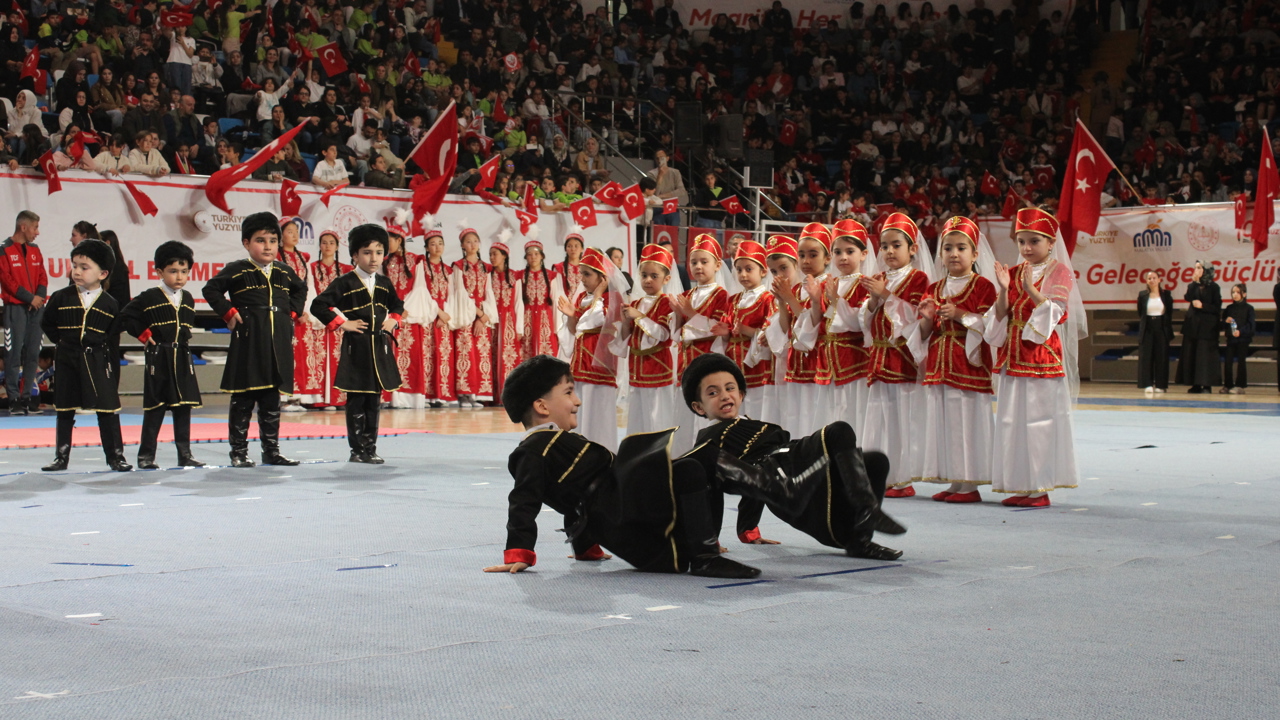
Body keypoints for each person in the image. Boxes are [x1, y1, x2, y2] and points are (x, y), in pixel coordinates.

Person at [483, 354, 769, 579]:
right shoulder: (533, 450)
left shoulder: (554, 443)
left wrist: (585, 549)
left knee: (699, 460)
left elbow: (574, 500)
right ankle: (707, 557)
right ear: (542, 407)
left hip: (630, 513)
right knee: (692, 468)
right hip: (632, 529)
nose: (578, 400)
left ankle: (710, 545)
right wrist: (518, 552)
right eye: (569, 392)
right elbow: (525, 501)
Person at [680, 352, 906, 561]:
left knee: (875, 461)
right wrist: (715, 538)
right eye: (712, 393)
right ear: (699, 407)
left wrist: (748, 531)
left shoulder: (764, 427)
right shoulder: (708, 439)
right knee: (839, 430)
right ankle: (867, 513)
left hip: (798, 463)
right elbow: (719, 486)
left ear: (741, 394)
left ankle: (862, 536)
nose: (724, 396)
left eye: (730, 388)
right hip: (781, 485)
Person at [984, 207, 1080, 507]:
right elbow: (998, 316)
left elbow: (1057, 313)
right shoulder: (1011, 273)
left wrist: (1029, 289)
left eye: (1034, 241)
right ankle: (1021, 484)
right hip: (1012, 357)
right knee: (1012, 421)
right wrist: (1003, 290)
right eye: (1021, 241)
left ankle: (1039, 488)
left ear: (1051, 242)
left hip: (1041, 359)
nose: (1026, 248)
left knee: (1039, 422)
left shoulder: (1060, 272)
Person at [201, 212, 308, 468]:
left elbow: (300, 288)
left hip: (277, 343)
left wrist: (291, 313)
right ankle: (238, 451)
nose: (268, 245)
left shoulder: (284, 271)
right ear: (246, 243)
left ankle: (271, 450)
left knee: (272, 399)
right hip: (249, 342)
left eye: (273, 240)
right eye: (261, 240)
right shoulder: (237, 270)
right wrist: (229, 312)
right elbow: (211, 289)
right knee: (243, 399)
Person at [912, 217, 996, 503]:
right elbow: (924, 333)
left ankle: (969, 483)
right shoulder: (934, 289)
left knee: (966, 424)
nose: (954, 254)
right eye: (948, 248)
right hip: (939, 365)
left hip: (967, 365)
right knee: (944, 422)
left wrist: (959, 314)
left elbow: (989, 326)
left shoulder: (983, 286)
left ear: (975, 253)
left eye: (962, 248)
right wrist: (925, 318)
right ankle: (953, 478)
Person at [311, 225, 405, 463]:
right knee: (356, 400)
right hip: (357, 348)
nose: (373, 258)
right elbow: (318, 305)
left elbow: (397, 305)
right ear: (354, 255)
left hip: (379, 348)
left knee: (374, 399)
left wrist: (393, 320)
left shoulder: (384, 282)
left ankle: (370, 448)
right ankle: (357, 450)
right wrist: (344, 323)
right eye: (367, 252)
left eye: (378, 252)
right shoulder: (345, 282)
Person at [39, 240, 131, 472]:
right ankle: (61, 457)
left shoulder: (110, 304)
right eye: (75, 265)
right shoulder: (61, 297)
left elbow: (112, 333)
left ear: (103, 273)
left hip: (98, 361)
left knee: (107, 409)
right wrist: (62, 342)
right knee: (65, 408)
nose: (77, 271)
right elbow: (47, 323)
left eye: (84, 267)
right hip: (68, 359)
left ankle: (116, 457)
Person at [859, 213, 930, 497]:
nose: (889, 251)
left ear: (912, 249)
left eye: (896, 245)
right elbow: (865, 321)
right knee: (879, 419)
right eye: (884, 246)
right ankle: (879, 477)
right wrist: (874, 302)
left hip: (903, 360)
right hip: (879, 359)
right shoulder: (878, 278)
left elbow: (916, 318)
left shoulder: (919, 278)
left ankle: (902, 478)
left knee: (902, 420)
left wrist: (886, 295)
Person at [119, 241, 204, 469]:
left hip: (182, 358)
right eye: (173, 271)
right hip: (159, 357)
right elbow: (125, 317)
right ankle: (146, 456)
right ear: (159, 272)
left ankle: (185, 454)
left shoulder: (188, 298)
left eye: (184, 271)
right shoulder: (149, 297)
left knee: (183, 407)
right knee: (155, 408)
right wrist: (144, 334)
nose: (179, 277)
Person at [556, 247, 622, 451]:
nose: (582, 279)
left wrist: (599, 294)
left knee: (598, 414)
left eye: (587, 274)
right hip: (581, 365)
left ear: (602, 277)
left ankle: (603, 452)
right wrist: (570, 316)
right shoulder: (583, 298)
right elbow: (576, 329)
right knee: (580, 412)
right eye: (581, 273)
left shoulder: (613, 298)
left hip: (600, 366)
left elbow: (596, 320)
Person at [672, 234, 732, 453]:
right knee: (683, 417)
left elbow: (715, 327)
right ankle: (681, 458)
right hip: (684, 364)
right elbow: (676, 335)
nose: (698, 266)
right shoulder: (687, 294)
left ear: (717, 265)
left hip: (705, 363)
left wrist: (688, 313)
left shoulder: (721, 295)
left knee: (704, 415)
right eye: (693, 262)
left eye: (704, 262)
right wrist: (678, 316)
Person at [773, 222, 833, 437]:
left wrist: (789, 298)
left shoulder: (829, 286)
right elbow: (785, 328)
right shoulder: (797, 288)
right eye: (801, 255)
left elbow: (813, 325)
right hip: (795, 362)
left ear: (827, 258)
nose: (806, 261)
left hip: (818, 360)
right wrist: (782, 301)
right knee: (796, 417)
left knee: (815, 417)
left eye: (813, 254)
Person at [613, 242, 678, 435]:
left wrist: (639, 317)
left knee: (658, 418)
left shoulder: (667, 303)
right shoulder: (636, 302)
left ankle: (660, 455)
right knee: (637, 418)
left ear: (666, 278)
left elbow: (664, 334)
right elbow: (626, 338)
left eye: (654, 276)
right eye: (644, 275)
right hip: (636, 368)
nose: (648, 280)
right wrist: (625, 322)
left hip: (658, 367)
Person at [823, 219, 874, 439]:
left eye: (850, 251)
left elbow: (859, 324)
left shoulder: (865, 283)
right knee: (834, 412)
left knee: (856, 411)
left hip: (856, 359)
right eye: (837, 251)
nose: (843, 257)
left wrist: (835, 300)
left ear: (863, 254)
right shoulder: (831, 282)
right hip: (831, 360)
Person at [723, 240, 776, 422]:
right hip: (733, 363)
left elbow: (772, 334)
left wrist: (749, 331)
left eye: (748, 269)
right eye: (739, 270)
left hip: (756, 366)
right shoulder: (733, 300)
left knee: (755, 408)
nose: (743, 274)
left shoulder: (768, 299)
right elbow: (727, 327)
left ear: (763, 271)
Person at [0, 211, 47, 416]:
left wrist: (39, 298)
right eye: (35, 228)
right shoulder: (4, 250)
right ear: (23, 227)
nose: (37, 232)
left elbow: (43, 277)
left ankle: (28, 397)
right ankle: (13, 399)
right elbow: (6, 280)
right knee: (13, 354)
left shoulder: (35, 250)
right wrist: (30, 298)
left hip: (36, 309)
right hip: (16, 309)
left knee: (33, 354)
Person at [307, 230, 353, 409]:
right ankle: (317, 398)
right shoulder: (311, 267)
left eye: (331, 243)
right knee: (318, 357)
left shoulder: (346, 270)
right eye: (324, 242)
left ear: (336, 246)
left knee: (337, 357)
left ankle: (337, 398)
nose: (327, 246)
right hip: (318, 317)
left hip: (339, 317)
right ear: (319, 245)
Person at [452, 225, 496, 408]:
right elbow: (459, 293)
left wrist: (485, 317)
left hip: (481, 315)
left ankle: (478, 394)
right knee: (465, 353)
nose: (472, 245)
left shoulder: (486, 267)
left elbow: (489, 291)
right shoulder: (458, 266)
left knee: (480, 354)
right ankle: (465, 394)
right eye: (468, 242)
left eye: (475, 241)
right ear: (462, 245)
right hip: (465, 314)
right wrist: (479, 314)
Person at [277, 218, 313, 412]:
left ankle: (296, 396)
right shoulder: (276, 256)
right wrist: (292, 310)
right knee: (284, 354)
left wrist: (302, 309)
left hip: (298, 313)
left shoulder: (301, 257)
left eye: (296, 231)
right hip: (284, 311)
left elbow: (304, 287)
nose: (295, 235)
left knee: (299, 355)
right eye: (290, 231)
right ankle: (282, 396)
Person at [1175, 260, 1222, 393]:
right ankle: (1195, 384)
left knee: (1205, 356)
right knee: (1192, 354)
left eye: (1199, 268)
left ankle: (1207, 384)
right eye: (1195, 267)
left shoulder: (1214, 287)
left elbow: (1217, 307)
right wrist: (1194, 282)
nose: (1196, 270)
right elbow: (1188, 297)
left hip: (1207, 327)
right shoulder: (1193, 285)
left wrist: (1203, 306)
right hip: (1193, 325)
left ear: (1206, 270)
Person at [489, 235, 524, 402]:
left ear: (504, 256)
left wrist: (519, 328)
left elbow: (518, 302)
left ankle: (508, 397)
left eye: (496, 254)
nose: (492, 257)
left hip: (509, 320)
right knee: (491, 358)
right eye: (490, 254)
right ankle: (492, 396)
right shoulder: (487, 275)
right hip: (492, 321)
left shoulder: (514, 276)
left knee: (509, 359)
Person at [520, 237, 564, 360]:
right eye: (529, 254)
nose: (533, 257)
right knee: (527, 352)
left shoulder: (552, 276)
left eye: (536, 254)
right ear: (526, 258)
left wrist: (558, 328)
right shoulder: (520, 276)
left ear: (542, 256)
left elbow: (556, 302)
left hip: (546, 320)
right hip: (527, 319)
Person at [1136, 270, 1173, 394]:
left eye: (1154, 278)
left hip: (1161, 327)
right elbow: (1141, 312)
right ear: (1146, 281)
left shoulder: (1166, 295)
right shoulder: (1142, 295)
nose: (1152, 280)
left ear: (1159, 279)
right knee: (1146, 357)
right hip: (1148, 327)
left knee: (1161, 356)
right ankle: (1147, 384)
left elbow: (1169, 312)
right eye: (1149, 278)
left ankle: (1161, 385)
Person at [1221, 283, 1255, 395]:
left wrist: (1241, 331)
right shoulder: (1229, 308)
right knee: (1228, 361)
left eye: (1237, 292)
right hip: (1231, 339)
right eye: (1233, 292)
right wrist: (1226, 321)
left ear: (1244, 294)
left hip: (1243, 339)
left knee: (1241, 361)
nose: (1234, 295)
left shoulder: (1249, 309)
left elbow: (1251, 325)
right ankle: (1228, 384)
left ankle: (1240, 385)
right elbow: (1222, 323)